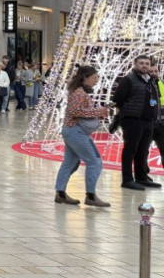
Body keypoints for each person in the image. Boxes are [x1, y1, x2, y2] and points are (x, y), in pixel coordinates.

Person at [55, 66, 110, 207]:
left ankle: (60, 193)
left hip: (72, 131)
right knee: (95, 161)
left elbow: (79, 110)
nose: (96, 81)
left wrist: (96, 111)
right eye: (94, 78)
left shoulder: (78, 91)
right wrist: (97, 112)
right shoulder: (79, 93)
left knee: (70, 163)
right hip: (76, 131)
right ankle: (90, 196)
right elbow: (75, 111)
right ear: (85, 77)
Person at [113, 55, 161, 190]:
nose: (144, 66)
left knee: (142, 150)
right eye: (141, 63)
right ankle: (127, 180)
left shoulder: (151, 81)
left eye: (146, 63)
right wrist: (128, 112)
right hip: (132, 120)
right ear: (135, 64)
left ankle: (142, 177)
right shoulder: (128, 80)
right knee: (130, 150)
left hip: (148, 121)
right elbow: (118, 99)